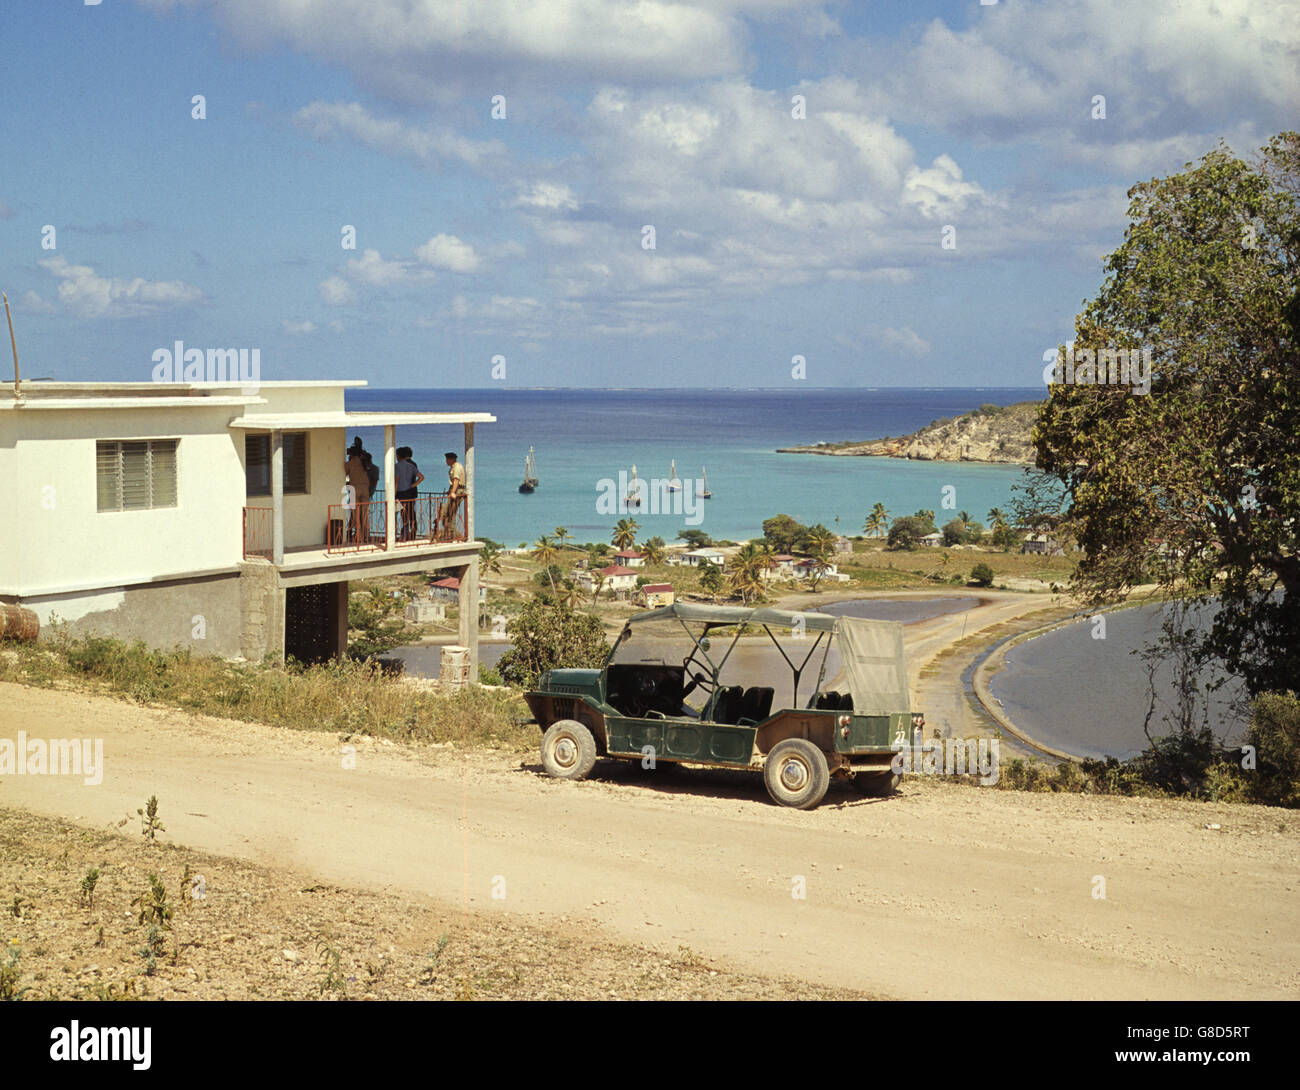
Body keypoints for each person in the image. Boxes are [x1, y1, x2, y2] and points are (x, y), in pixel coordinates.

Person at [395, 446, 425, 541]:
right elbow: (421, 477)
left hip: (400, 493)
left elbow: (396, 481)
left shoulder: (398, 466)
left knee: (403, 513)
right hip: (411, 492)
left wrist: (394, 495)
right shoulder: (413, 464)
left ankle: (404, 533)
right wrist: (412, 485)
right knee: (411, 513)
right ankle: (412, 533)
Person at [344, 439, 370, 543]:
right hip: (365, 488)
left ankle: (358, 537)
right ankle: (366, 536)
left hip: (354, 488)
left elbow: (345, 475)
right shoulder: (364, 462)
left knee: (355, 515)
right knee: (365, 514)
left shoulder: (349, 464)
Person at [439, 451, 466, 541]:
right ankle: (450, 533)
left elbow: (456, 480)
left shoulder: (456, 467)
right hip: (457, 490)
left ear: (451, 459)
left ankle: (451, 534)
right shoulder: (454, 467)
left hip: (458, 491)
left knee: (448, 514)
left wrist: (453, 492)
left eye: (447, 459)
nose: (446, 461)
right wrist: (450, 490)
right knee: (449, 514)